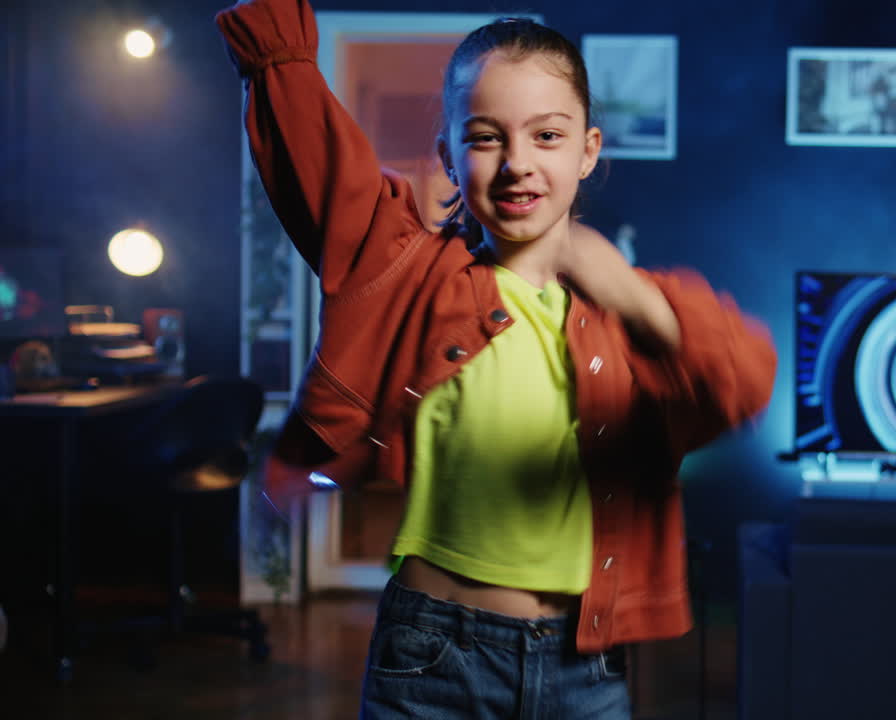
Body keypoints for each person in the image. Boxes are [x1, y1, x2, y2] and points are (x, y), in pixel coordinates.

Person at [216, 1, 777, 718]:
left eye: (547, 135)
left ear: (588, 150)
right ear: (448, 155)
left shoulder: (629, 316)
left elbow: (745, 381)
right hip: (431, 654)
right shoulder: (406, 271)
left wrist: (637, 298)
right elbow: (313, 153)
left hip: (585, 669)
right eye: (485, 138)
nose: (518, 164)